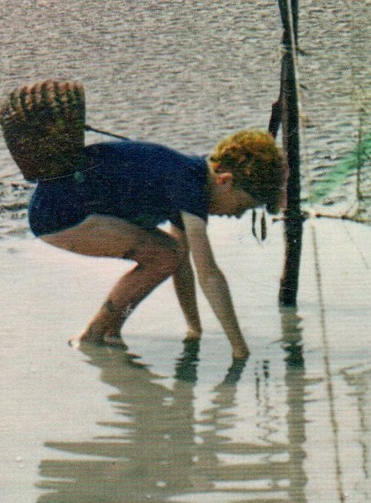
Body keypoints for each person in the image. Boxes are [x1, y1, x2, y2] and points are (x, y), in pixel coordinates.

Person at [28, 130, 284, 359]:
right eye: (242, 206)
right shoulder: (189, 185)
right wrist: (240, 349)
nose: (237, 215)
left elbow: (183, 264)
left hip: (61, 210)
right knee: (164, 255)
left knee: (170, 254)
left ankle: (109, 331)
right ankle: (92, 335)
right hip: (58, 215)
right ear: (225, 181)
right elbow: (209, 274)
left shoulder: (191, 176)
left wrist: (194, 328)